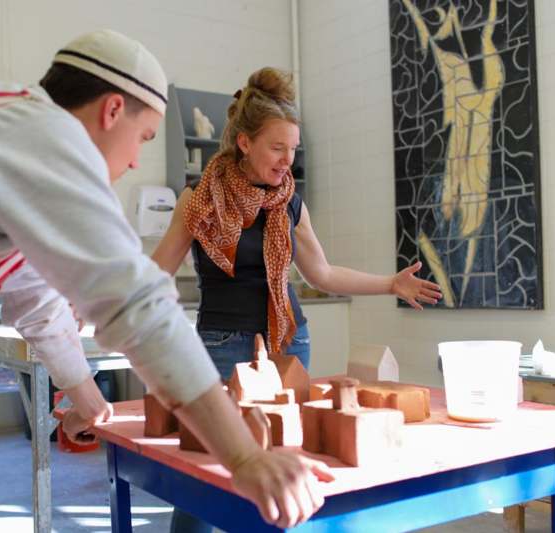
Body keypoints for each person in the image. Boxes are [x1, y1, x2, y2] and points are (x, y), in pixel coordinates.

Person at [0, 30, 331, 532]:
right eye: (143, 138)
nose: (135, 160)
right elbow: (142, 309)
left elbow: (36, 303)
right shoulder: (48, 142)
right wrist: (244, 459)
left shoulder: (9, 122)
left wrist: (91, 405)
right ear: (112, 110)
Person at [152, 67, 442, 532]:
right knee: (209, 467)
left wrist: (391, 283)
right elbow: (157, 270)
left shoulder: (289, 201)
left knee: (286, 459)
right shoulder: (201, 197)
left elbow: (321, 273)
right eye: (277, 147)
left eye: (293, 149)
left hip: (289, 342)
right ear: (245, 143)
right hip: (222, 345)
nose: (288, 160)